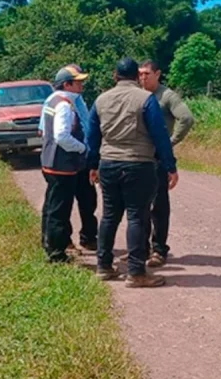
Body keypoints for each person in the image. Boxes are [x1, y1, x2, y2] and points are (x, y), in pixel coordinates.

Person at [87, 57, 178, 288]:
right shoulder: (146, 99)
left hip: (108, 163)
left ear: (115, 76)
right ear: (137, 77)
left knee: (109, 215)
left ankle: (104, 266)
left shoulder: (100, 100)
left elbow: (92, 137)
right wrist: (170, 166)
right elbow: (160, 135)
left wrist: (93, 165)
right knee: (137, 216)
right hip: (139, 164)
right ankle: (136, 272)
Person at [138, 59, 194, 267]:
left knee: (159, 205)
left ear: (157, 74)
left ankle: (159, 249)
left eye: (147, 74)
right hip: (140, 157)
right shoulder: (139, 94)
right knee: (139, 205)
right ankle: (141, 248)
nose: (143, 77)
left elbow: (186, 118)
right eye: (140, 74)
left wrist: (170, 143)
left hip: (159, 158)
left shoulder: (167, 96)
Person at [37, 65, 99, 252]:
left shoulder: (53, 100)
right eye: (78, 82)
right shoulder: (64, 104)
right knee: (59, 210)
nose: (81, 85)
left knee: (53, 206)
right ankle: (56, 252)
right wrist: (82, 148)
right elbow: (62, 136)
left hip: (53, 162)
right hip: (63, 164)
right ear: (67, 84)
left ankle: (50, 243)